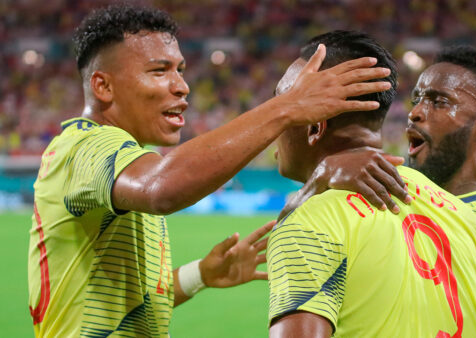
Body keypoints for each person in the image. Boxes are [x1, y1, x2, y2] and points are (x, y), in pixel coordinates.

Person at [27, 4, 399, 337]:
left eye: (180, 70)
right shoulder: (83, 147)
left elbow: (125, 305)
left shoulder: (124, 167)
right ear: (103, 86)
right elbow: (163, 188)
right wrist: (288, 106)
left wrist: (201, 275)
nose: (182, 86)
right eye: (160, 71)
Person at [290, 45, 476, 335]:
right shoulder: (382, 192)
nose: (415, 112)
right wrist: (318, 180)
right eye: (417, 99)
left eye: (439, 101)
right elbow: (292, 245)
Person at [267, 30, 476, 337]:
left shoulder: (311, 221)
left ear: (315, 127)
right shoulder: (464, 217)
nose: (273, 122)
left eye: (282, 104)